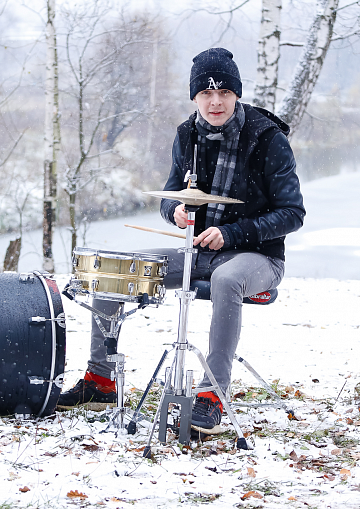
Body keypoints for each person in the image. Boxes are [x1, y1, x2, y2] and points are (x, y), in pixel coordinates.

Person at [57, 48, 305, 435]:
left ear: (236, 93)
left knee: (227, 280)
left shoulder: (268, 138)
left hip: (258, 257)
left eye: (224, 92)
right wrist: (174, 210)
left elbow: (293, 213)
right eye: (206, 94)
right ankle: (101, 380)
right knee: (117, 267)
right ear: (194, 97)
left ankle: (212, 394)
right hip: (199, 251)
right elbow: (171, 193)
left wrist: (232, 233)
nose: (215, 101)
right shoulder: (187, 134)